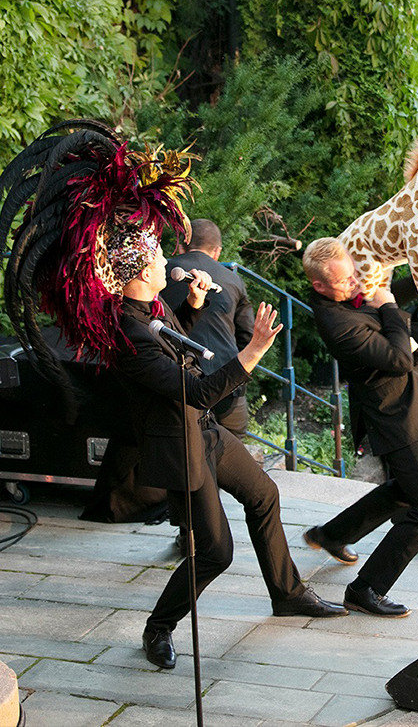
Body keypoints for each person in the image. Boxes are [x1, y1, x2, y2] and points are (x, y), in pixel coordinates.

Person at [114, 230, 347, 669]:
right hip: (180, 444)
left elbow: (172, 338)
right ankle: (158, 627)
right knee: (216, 552)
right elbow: (195, 390)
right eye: (161, 258)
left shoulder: (153, 307)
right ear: (144, 271)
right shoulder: (129, 333)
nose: (169, 262)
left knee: (264, 494)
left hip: (207, 432)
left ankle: (288, 593)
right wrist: (254, 350)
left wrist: (193, 306)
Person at [303, 238, 418, 618]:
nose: (354, 285)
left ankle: (332, 534)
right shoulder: (337, 324)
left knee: (404, 490)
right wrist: (389, 308)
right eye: (344, 282)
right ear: (319, 286)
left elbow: (381, 294)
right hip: (394, 418)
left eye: (352, 275)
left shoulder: (344, 296)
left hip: (407, 409)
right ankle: (366, 588)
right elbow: (399, 358)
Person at [161, 218, 254, 442]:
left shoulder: (161, 273)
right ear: (217, 251)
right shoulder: (234, 281)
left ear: (181, 245)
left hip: (179, 382)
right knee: (233, 446)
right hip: (227, 380)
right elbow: (247, 337)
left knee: (186, 450)